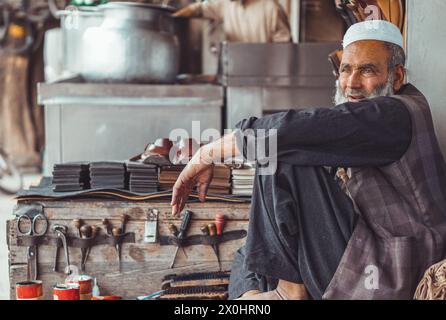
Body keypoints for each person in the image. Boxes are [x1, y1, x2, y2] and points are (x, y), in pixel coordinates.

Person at [170, 20, 446, 300]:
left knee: (279, 147)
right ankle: (269, 293)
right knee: (280, 160)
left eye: (367, 70)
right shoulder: (366, 126)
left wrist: (206, 154)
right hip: (367, 258)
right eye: (346, 70)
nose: (351, 82)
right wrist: (247, 292)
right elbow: (259, 245)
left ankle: (288, 293)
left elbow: (290, 131)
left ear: (396, 77)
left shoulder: (396, 115)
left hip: (393, 276)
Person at [173, 0, 291, 43]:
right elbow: (199, 8)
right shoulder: (226, 3)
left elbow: (284, 48)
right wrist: (172, 16)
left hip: (265, 74)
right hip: (236, 72)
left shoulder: (272, 7)